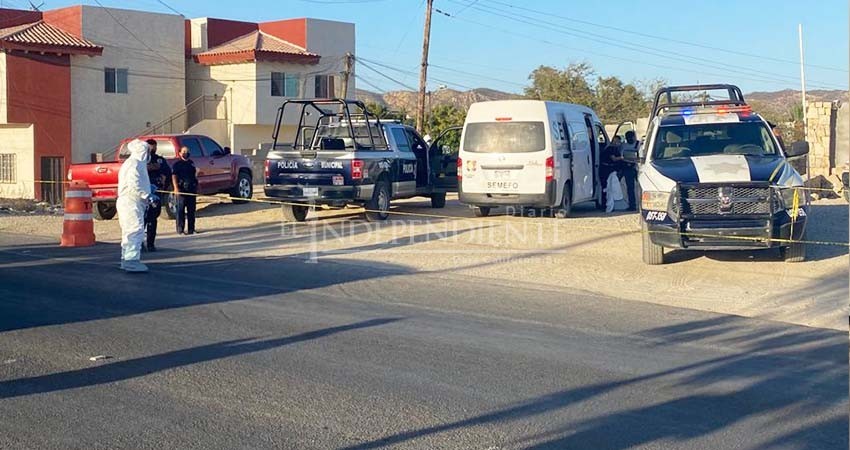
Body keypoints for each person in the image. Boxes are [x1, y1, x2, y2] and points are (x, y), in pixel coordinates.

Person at [117, 139, 157, 273]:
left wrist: (149, 188)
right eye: (147, 151)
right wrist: (147, 195)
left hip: (131, 201)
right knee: (135, 230)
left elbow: (138, 182)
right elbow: (134, 184)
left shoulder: (134, 163)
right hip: (131, 201)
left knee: (129, 231)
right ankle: (131, 261)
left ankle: (126, 259)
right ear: (142, 151)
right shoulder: (134, 164)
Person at [143, 139, 171, 252]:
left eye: (154, 147)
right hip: (142, 194)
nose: (152, 149)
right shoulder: (140, 160)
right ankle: (139, 243)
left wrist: (163, 184)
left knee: (152, 219)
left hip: (156, 193)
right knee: (141, 220)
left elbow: (167, 172)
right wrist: (151, 167)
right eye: (150, 148)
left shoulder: (160, 160)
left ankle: (150, 244)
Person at [599, 136, 637, 212]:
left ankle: (607, 205)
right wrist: (622, 158)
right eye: (618, 142)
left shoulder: (615, 148)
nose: (619, 143)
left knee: (609, 188)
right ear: (615, 141)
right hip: (607, 171)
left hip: (612, 170)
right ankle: (605, 205)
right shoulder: (610, 149)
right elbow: (613, 158)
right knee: (607, 188)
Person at [172, 146, 198, 235]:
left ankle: (191, 229)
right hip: (181, 189)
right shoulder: (177, 164)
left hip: (191, 189)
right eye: (183, 151)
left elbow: (194, 175)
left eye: (187, 151)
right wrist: (176, 188)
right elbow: (174, 176)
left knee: (191, 210)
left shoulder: (191, 163)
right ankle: (180, 230)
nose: (185, 153)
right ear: (180, 153)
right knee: (180, 211)